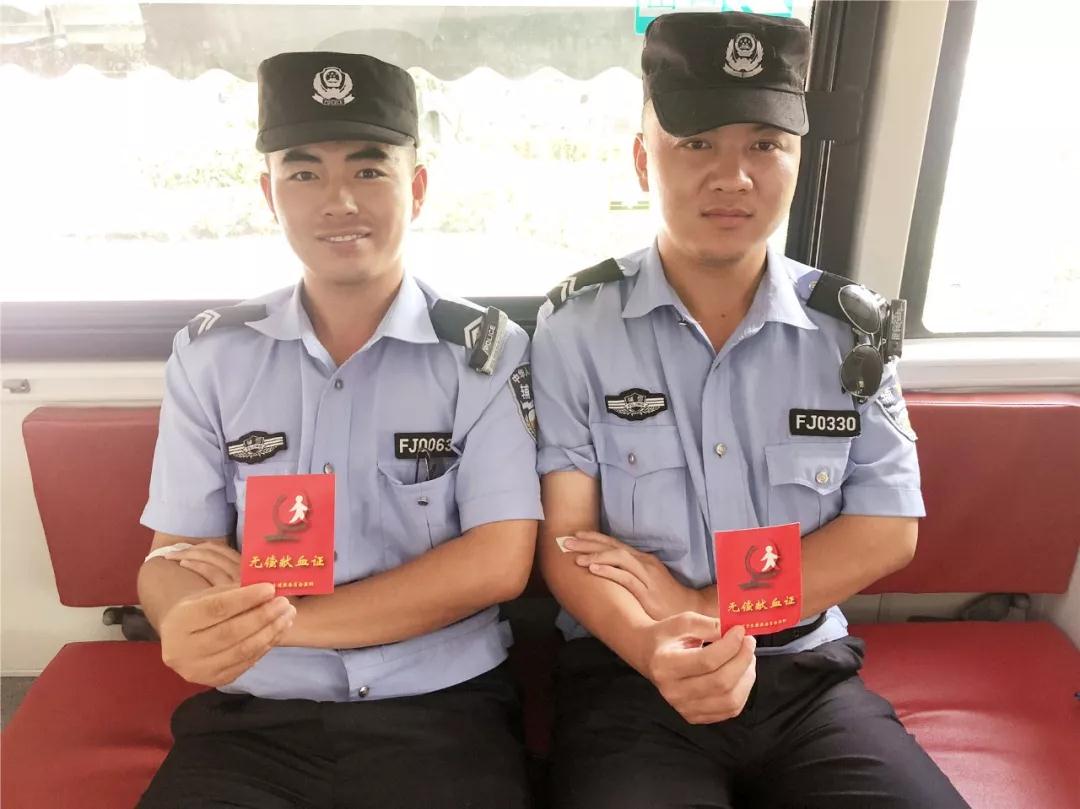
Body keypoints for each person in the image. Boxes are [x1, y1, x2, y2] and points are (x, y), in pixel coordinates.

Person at [531, 11, 969, 809]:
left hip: (807, 675)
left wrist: (705, 607)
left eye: (764, 144)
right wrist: (656, 642)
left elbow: (886, 528)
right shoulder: (575, 328)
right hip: (633, 677)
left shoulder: (853, 330)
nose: (732, 176)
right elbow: (568, 539)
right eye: (697, 143)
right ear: (643, 160)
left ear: (797, 159)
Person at [136, 51, 541, 809]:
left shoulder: (484, 353)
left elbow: (496, 563)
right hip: (254, 710)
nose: (338, 201)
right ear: (269, 194)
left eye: (369, 169)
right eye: (303, 173)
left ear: (416, 188)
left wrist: (274, 623)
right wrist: (183, 618)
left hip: (438, 707)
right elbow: (173, 554)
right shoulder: (211, 357)